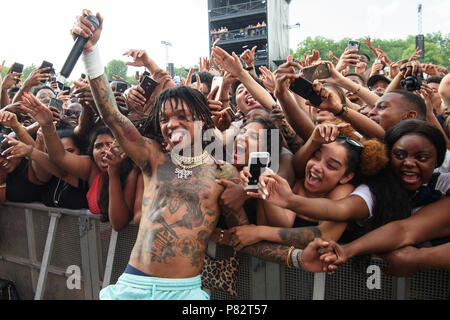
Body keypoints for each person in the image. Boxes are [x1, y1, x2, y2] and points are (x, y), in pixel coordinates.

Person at [70, 10, 315, 300]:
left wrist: (296, 258)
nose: (171, 123)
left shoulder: (224, 173)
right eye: (165, 119)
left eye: (182, 116)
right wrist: (90, 50)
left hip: (184, 293)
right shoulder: (153, 158)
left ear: (202, 119)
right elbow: (111, 114)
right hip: (130, 288)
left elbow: (244, 238)